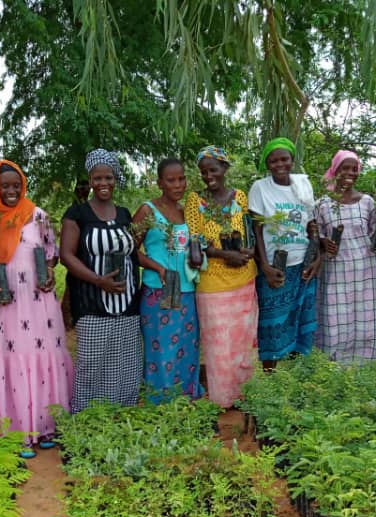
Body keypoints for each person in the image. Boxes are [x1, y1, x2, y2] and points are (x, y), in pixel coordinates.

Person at [0, 159, 73, 444]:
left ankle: (48, 425)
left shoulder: (37, 215)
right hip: (9, 303)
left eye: (16, 186)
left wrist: (49, 272)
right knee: (17, 355)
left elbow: (51, 252)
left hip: (39, 300)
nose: (11, 191)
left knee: (45, 353)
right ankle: (21, 429)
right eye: (5, 186)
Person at [59, 149, 142, 412]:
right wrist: (98, 280)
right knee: (92, 362)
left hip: (127, 301)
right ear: (90, 180)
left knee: (126, 362)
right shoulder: (77, 214)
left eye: (108, 178)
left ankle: (121, 414)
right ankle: (86, 417)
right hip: (92, 301)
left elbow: (133, 252)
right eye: (97, 178)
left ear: (115, 179)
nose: (103, 183)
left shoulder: (124, 214)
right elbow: (66, 256)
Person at [184, 146, 259, 408]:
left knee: (242, 344)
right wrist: (224, 254)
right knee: (218, 347)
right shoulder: (196, 201)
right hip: (212, 284)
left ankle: (244, 397)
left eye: (213, 170)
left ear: (225, 168)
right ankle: (222, 401)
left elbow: (248, 232)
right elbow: (194, 241)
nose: (208, 176)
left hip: (244, 280)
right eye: (203, 172)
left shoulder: (240, 197)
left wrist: (247, 251)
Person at [133, 158, 203, 401]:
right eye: (171, 180)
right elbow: (129, 250)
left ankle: (186, 400)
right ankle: (160, 405)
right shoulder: (148, 211)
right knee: (161, 351)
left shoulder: (187, 212)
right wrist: (157, 267)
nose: (178, 185)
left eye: (181, 179)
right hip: (158, 292)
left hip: (186, 292)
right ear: (160, 183)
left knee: (187, 348)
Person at [248, 137, 321, 368]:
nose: (280, 164)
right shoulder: (260, 188)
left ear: (292, 160)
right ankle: (271, 377)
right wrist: (264, 266)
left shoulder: (302, 185)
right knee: (272, 324)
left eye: (284, 159)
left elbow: (311, 225)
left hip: (303, 265)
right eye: (274, 161)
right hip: (275, 267)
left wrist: (316, 259)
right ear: (267, 164)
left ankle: (295, 377)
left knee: (301, 322)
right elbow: (257, 229)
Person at [314, 149, 376, 364]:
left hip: (366, 272)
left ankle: (368, 368)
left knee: (367, 320)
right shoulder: (323, 204)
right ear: (335, 170)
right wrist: (323, 242)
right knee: (336, 319)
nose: (350, 173)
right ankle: (333, 370)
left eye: (355, 169)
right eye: (345, 168)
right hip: (335, 272)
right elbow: (315, 236)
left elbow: (375, 236)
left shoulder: (368, 202)